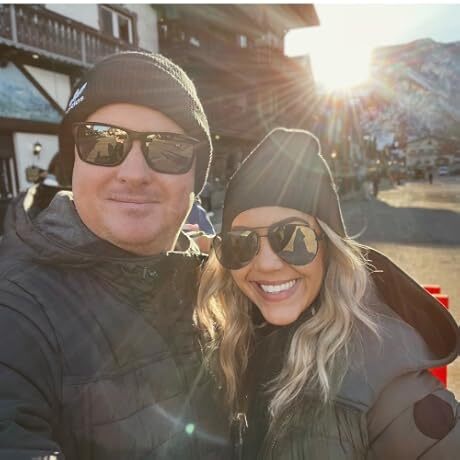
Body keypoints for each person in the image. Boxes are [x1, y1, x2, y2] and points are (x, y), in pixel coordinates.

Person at [0, 51, 230, 459]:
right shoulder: (16, 311)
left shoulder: (218, 290)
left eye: (169, 150)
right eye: (103, 143)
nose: (134, 174)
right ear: (73, 163)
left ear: (195, 178)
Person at [196, 128, 460, 459]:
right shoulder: (232, 346)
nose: (265, 264)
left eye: (293, 238)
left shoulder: (387, 380)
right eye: (241, 243)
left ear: (331, 250)